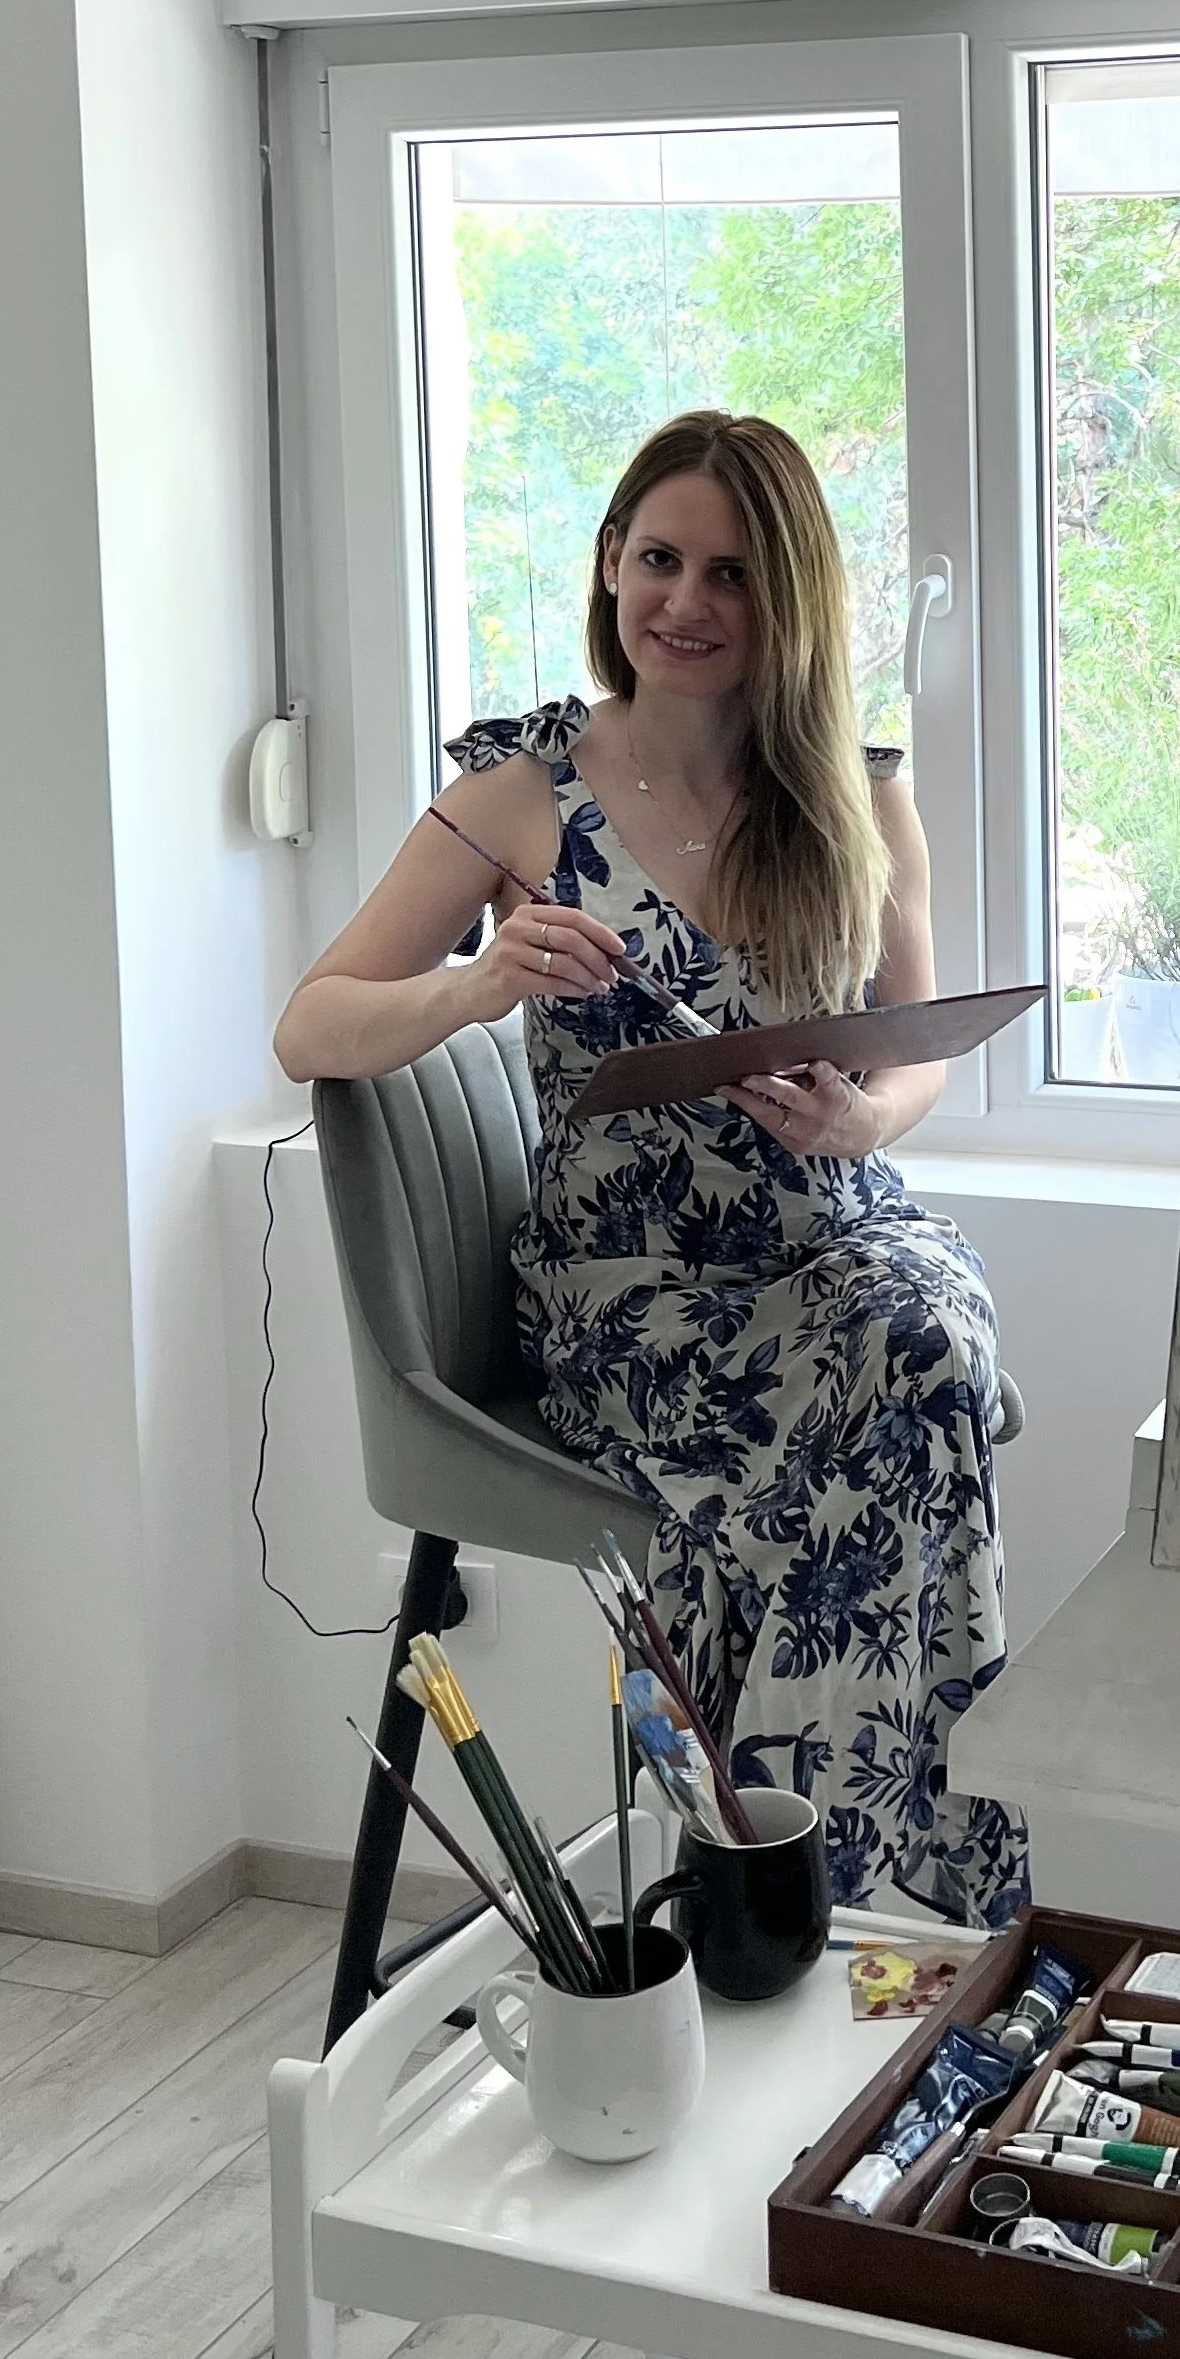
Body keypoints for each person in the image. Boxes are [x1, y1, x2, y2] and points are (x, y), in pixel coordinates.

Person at [276, 409, 1029, 1928]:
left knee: (927, 1351)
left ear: (788, 602)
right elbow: (312, 1025)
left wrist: (864, 1119)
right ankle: (856, 1907)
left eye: (731, 574)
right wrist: (478, 984)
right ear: (610, 561)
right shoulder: (519, 796)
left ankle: (787, 1884)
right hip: (635, 1290)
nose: (682, 602)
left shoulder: (857, 795)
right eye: (658, 558)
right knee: (892, 1396)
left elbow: (920, 1044)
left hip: (828, 1224)